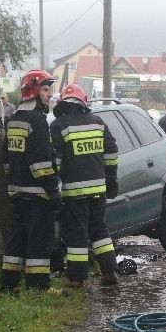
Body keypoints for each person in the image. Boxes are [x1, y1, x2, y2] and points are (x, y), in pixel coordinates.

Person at [50, 83, 119, 288]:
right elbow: (112, 151)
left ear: (63, 104)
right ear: (83, 102)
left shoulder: (59, 125)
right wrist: (111, 178)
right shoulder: (98, 122)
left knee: (77, 234)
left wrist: (54, 183)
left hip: (75, 192)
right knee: (100, 232)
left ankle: (75, 277)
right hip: (99, 190)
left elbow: (56, 161)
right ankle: (109, 272)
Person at [0, 69, 61, 292]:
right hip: (37, 194)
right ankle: (39, 286)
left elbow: (6, 159)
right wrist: (53, 190)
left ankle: (9, 283)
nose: (49, 94)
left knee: (16, 239)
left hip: (18, 193)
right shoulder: (38, 120)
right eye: (45, 89)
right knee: (39, 240)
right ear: (34, 91)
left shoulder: (14, 119)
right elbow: (41, 163)